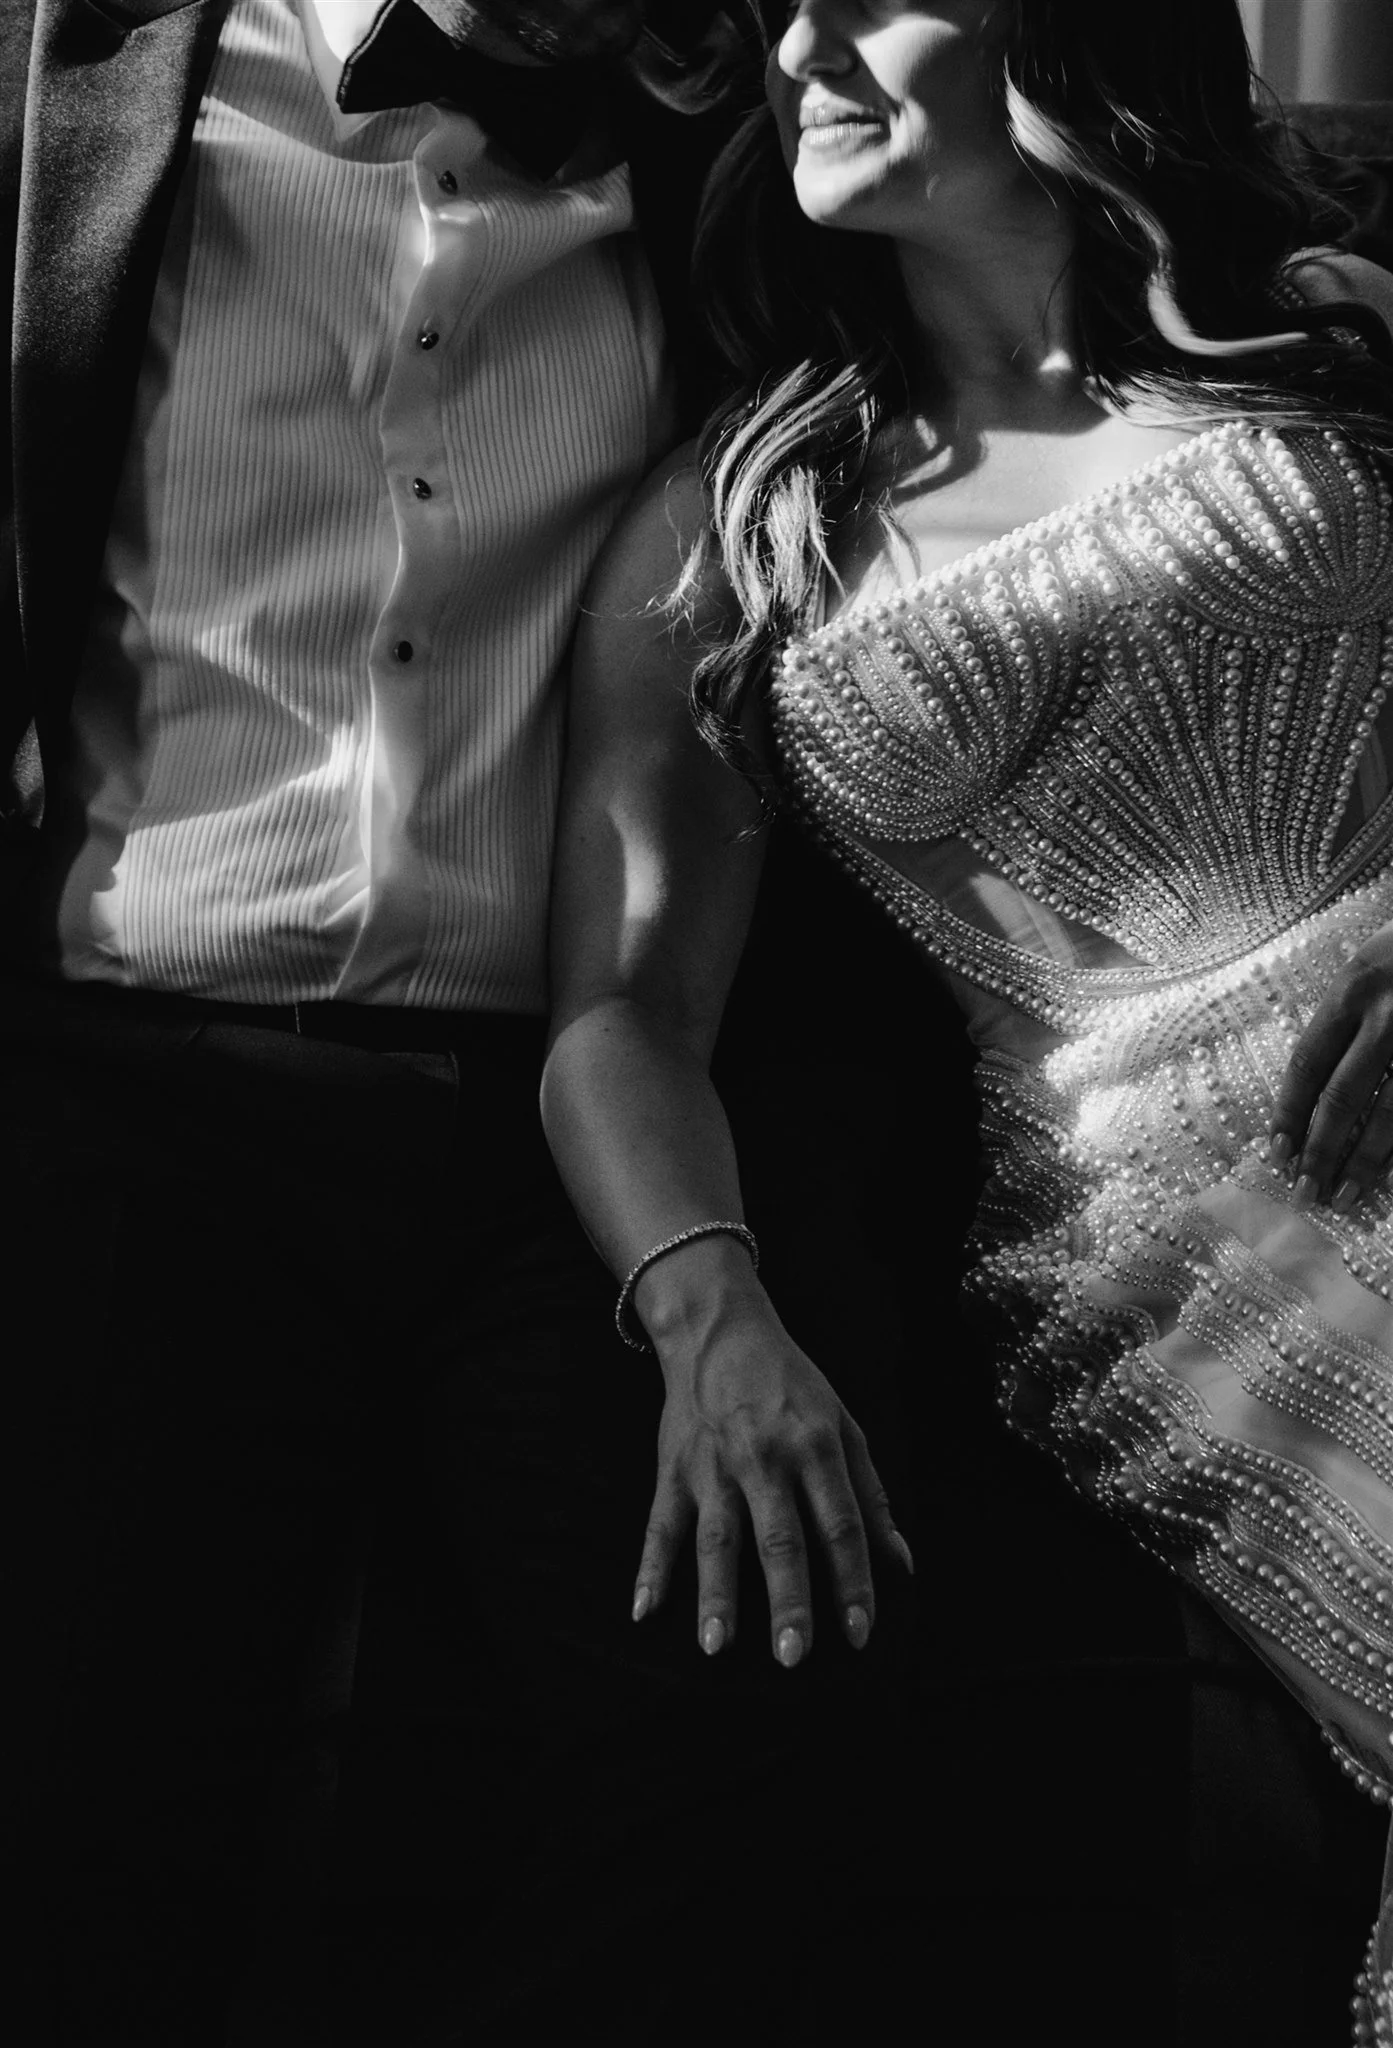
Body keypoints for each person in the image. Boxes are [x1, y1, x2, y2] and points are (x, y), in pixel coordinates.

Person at [6, 4, 949, 2042]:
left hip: (562, 1128)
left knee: (759, 1696)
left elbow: (1054, 278)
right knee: (78, 1818)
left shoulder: (738, 144)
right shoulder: (61, 86)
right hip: (115, 1088)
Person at [542, 0, 1393, 2035]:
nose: (808, 53)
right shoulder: (743, 518)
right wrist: (710, 1313)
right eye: (787, 14)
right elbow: (622, 1012)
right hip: (1165, 1247)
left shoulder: (1337, 336)